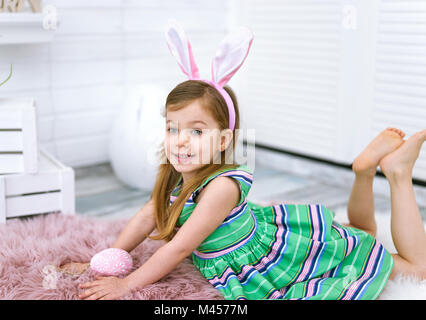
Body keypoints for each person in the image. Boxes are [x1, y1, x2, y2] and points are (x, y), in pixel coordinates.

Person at [61, 21, 426, 300]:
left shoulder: (221, 186)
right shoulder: (178, 173)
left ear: (223, 141)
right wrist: (104, 260)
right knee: (363, 236)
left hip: (277, 257)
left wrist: (127, 285)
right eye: (172, 128)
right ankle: (362, 173)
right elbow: (147, 215)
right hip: (255, 240)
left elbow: (181, 246)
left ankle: (397, 174)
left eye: (196, 131)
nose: (180, 141)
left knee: (415, 270)